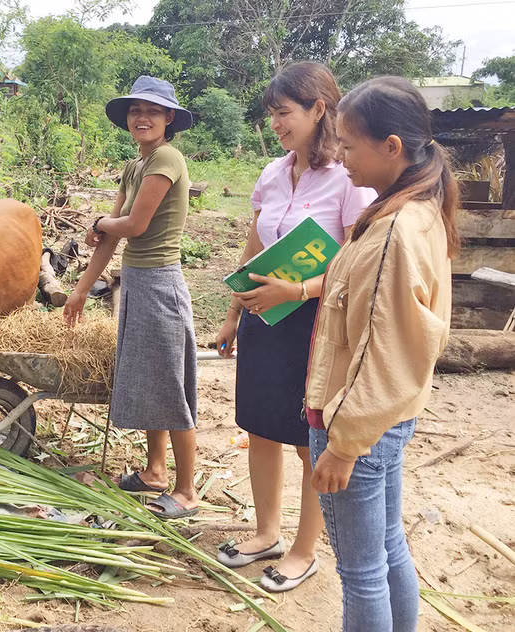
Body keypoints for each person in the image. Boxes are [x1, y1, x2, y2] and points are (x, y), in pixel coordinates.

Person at [214, 62, 375, 592]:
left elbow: (357, 264)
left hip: (315, 324)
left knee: (309, 437)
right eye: (272, 114)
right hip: (263, 316)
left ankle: (305, 550)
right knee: (260, 426)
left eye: (284, 112)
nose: (276, 124)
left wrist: (298, 291)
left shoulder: (348, 180)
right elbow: (254, 247)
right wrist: (233, 314)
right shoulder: (271, 174)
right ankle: (266, 533)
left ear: (318, 109)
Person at [306, 76, 459, 632]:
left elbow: (381, 352)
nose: (339, 156)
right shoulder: (418, 208)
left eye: (348, 145)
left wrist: (344, 446)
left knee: (362, 572)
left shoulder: (395, 229)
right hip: (388, 419)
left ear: (391, 147)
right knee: (389, 547)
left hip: (359, 424)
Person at [63, 76, 198, 519]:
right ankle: (155, 472)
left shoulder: (167, 158)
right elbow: (110, 236)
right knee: (150, 380)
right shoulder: (134, 165)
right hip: (138, 282)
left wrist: (101, 222)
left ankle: (186, 490)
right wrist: (80, 290)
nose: (142, 118)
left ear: (169, 118)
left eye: (153, 111)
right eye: (136, 110)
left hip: (160, 284)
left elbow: (133, 226)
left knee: (170, 386)